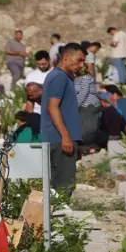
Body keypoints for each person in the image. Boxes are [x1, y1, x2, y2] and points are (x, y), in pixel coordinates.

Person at [42, 43, 85, 194]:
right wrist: (66, 137)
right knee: (63, 186)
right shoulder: (58, 77)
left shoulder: (64, 78)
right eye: (79, 60)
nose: (81, 65)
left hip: (63, 139)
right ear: (66, 57)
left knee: (60, 184)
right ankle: (58, 216)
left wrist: (75, 141)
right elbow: (52, 107)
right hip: (59, 139)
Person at [74, 63, 100, 143]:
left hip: (88, 105)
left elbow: (84, 92)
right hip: (84, 105)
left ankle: (88, 143)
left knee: (87, 128)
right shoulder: (79, 78)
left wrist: (76, 105)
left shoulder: (85, 78)